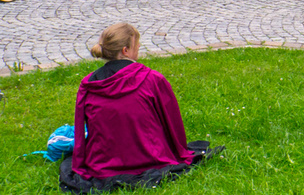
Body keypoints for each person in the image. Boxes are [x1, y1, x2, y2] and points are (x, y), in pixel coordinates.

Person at [61, 22, 221, 193]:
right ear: (125, 50)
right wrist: (179, 150)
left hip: (102, 161)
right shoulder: (152, 79)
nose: (139, 48)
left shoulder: (89, 84)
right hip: (151, 157)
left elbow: (81, 128)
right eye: (137, 45)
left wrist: (81, 158)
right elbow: (171, 121)